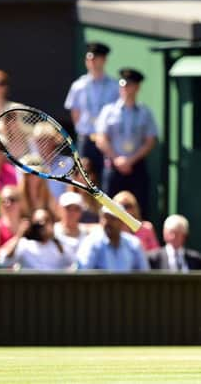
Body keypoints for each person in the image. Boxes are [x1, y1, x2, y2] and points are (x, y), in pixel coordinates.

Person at [95, 68, 157, 219]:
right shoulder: (108, 111)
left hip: (136, 167)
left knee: (139, 207)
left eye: (130, 85)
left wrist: (130, 160)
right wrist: (117, 159)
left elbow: (150, 141)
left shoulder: (145, 112)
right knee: (110, 208)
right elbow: (101, 139)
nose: (125, 88)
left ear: (137, 87)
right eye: (123, 84)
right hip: (113, 166)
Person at [64, 42, 119, 178]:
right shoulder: (78, 86)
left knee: (105, 178)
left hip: (107, 141)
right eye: (89, 58)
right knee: (83, 177)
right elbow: (75, 114)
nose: (92, 61)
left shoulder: (114, 86)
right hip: (86, 140)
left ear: (104, 60)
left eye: (95, 58)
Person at [0, 208, 75, 270]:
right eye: (38, 222)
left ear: (51, 224)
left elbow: (72, 263)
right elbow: (4, 262)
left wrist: (54, 238)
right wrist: (19, 235)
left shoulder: (60, 244)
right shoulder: (24, 244)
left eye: (46, 221)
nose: (42, 225)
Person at [76, 206, 149, 271]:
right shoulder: (91, 242)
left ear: (122, 222)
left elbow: (144, 274)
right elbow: (83, 272)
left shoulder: (134, 244)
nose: (107, 222)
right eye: (105, 217)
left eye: (112, 218)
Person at [113, 190, 160, 263]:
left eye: (129, 206)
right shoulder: (111, 229)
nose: (125, 210)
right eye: (121, 206)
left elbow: (156, 253)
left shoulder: (146, 228)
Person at [53, 191, 89, 256]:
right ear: (59, 209)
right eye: (68, 208)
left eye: (76, 209)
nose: (72, 213)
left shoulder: (87, 233)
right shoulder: (52, 231)